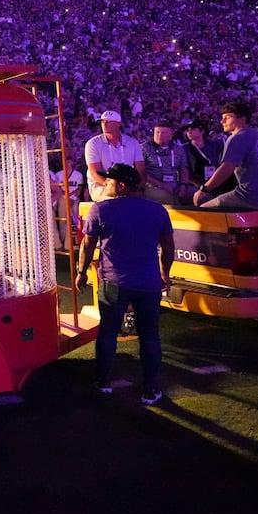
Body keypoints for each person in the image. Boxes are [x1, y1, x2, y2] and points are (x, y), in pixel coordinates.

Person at [75, 164, 173, 405]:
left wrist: (81, 272)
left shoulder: (101, 209)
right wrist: (165, 272)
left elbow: (87, 245)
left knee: (108, 332)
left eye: (109, 180)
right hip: (148, 282)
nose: (105, 183)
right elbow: (168, 246)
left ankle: (103, 382)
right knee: (150, 336)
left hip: (114, 282)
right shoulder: (157, 210)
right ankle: (151, 389)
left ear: (121, 185)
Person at [193, 100, 258, 211]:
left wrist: (204, 189)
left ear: (242, 119)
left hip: (253, 197)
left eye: (227, 117)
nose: (222, 121)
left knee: (203, 210)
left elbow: (227, 168)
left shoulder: (237, 137)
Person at [84, 110, 146, 203]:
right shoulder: (93, 144)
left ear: (118, 124)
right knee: (116, 199)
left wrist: (137, 187)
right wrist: (112, 186)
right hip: (102, 185)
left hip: (126, 185)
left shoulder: (132, 143)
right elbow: (94, 172)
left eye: (108, 122)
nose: (104, 124)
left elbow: (140, 168)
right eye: (102, 122)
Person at [141, 119, 195, 206]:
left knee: (198, 195)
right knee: (169, 198)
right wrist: (161, 185)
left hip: (174, 183)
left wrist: (183, 185)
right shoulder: (144, 148)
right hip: (152, 184)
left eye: (164, 133)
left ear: (171, 135)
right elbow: (141, 171)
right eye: (157, 132)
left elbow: (183, 169)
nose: (159, 135)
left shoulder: (178, 149)